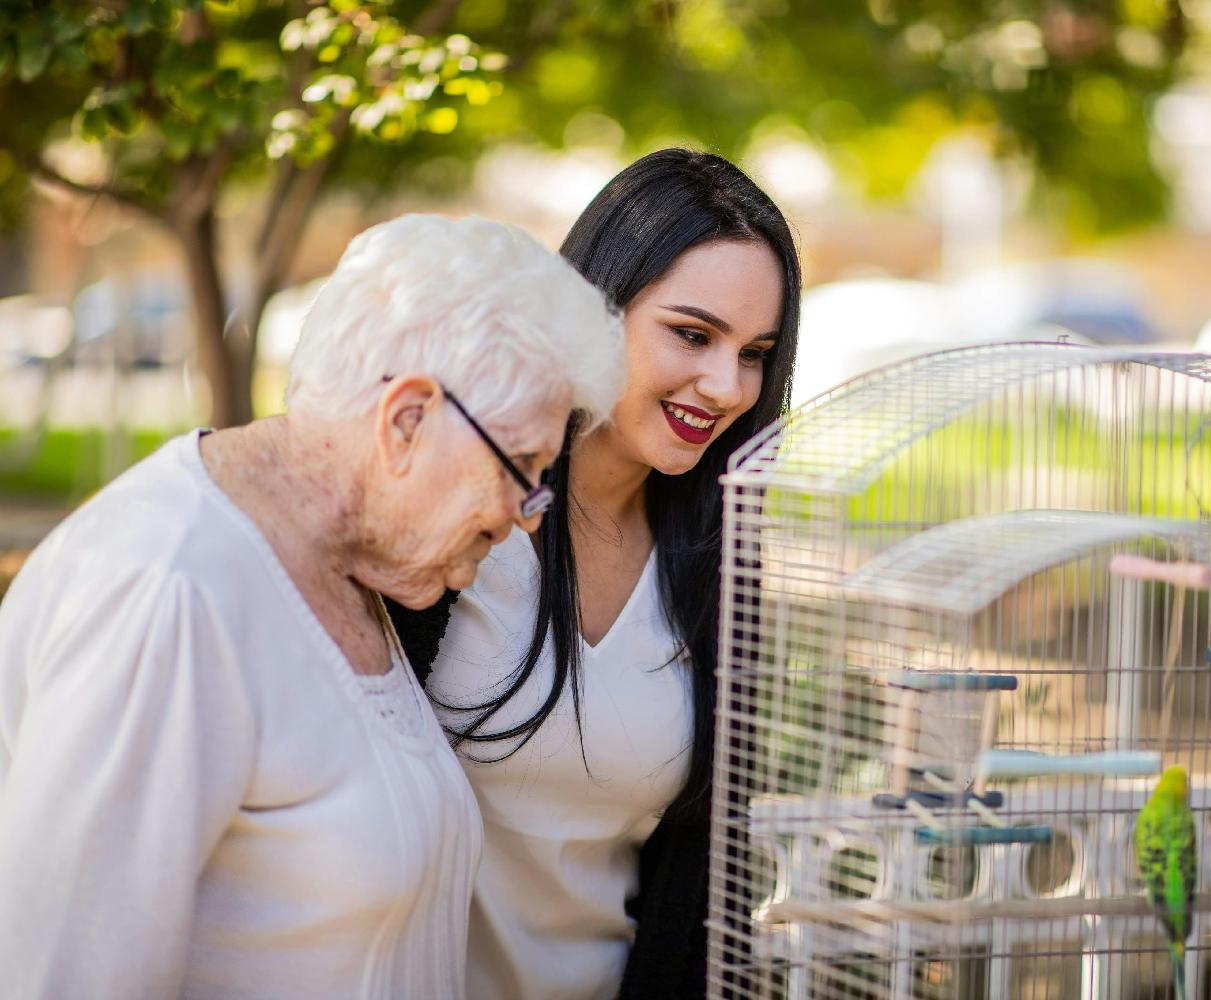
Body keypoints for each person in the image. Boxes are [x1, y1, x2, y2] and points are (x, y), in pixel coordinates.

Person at [0, 214, 623, 999]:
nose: (528, 513)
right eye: (523, 467)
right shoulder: (170, 591)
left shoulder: (361, 568)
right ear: (407, 421)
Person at [389, 149, 801, 999]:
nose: (725, 386)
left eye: (755, 352)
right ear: (597, 308)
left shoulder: (719, 569)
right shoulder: (462, 521)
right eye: (692, 334)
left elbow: (705, 882)